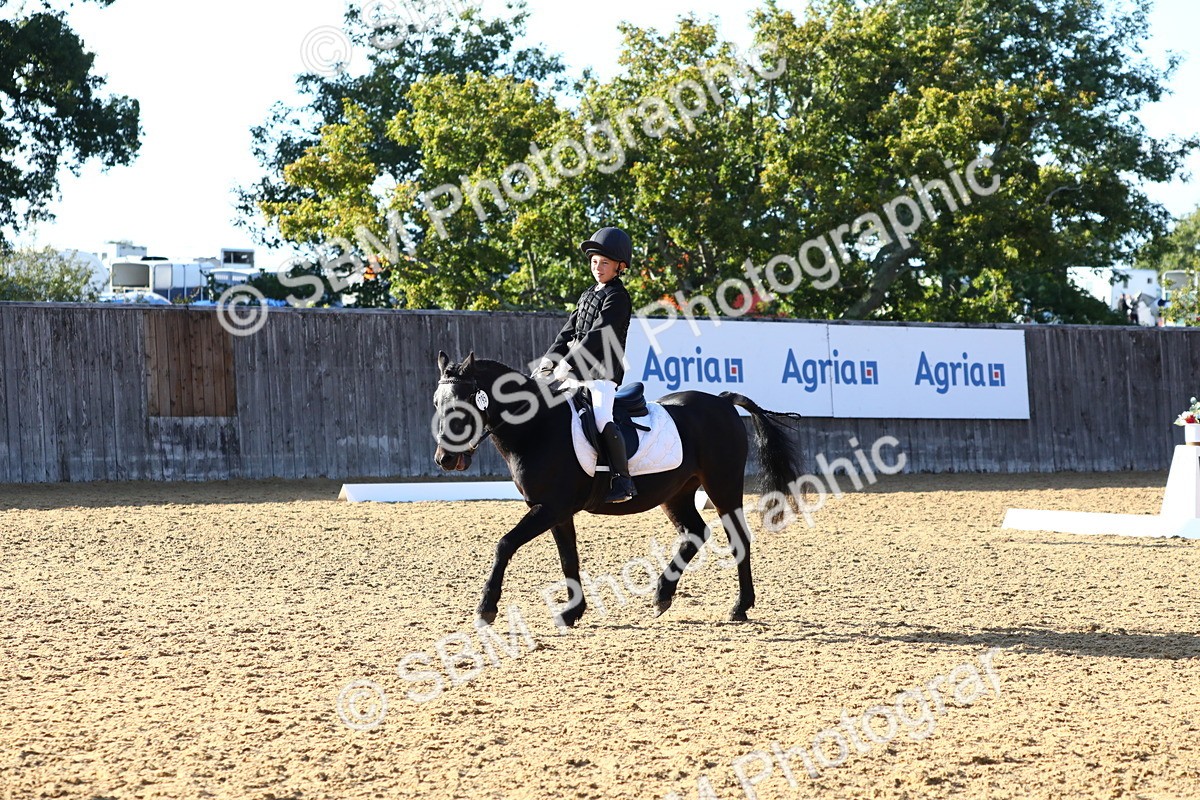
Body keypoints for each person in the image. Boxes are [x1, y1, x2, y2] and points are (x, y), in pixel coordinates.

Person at [534, 227, 636, 503]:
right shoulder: (588, 294)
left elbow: (599, 334)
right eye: (594, 262)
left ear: (619, 266)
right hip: (575, 372)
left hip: (601, 374)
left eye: (604, 263)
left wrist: (568, 362)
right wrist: (549, 359)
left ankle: (623, 480)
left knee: (602, 418)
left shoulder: (618, 296)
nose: (598, 267)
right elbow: (568, 331)